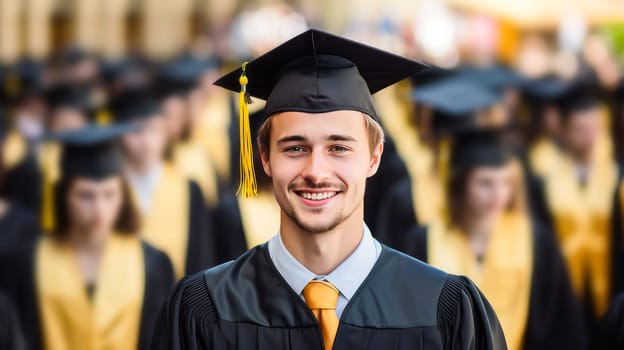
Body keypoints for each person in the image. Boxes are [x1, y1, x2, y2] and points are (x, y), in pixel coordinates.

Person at [152, 28, 506, 350]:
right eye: (295, 148)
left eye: (338, 148)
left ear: (373, 157)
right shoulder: (203, 310)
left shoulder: (445, 309)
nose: (316, 171)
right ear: (264, 158)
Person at [406, 129, 588, 350]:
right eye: (485, 183)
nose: (498, 194)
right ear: (460, 185)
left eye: (506, 182)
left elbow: (562, 323)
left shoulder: (536, 240)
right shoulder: (424, 240)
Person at [0, 123, 174, 350]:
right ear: (64, 197)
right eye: (85, 196)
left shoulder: (152, 262)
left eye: (109, 194)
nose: (99, 209)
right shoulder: (24, 262)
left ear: (123, 196)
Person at [112, 88, 236, 277]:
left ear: (165, 133)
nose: (146, 142)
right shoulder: (110, 191)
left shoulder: (188, 188)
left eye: (153, 130)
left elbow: (202, 255)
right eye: (135, 131)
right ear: (119, 135)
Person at [534, 85, 623, 327]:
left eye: (595, 128)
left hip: (611, 291)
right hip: (561, 294)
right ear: (562, 131)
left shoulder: (617, 178)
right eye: (580, 129)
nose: (589, 136)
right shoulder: (544, 180)